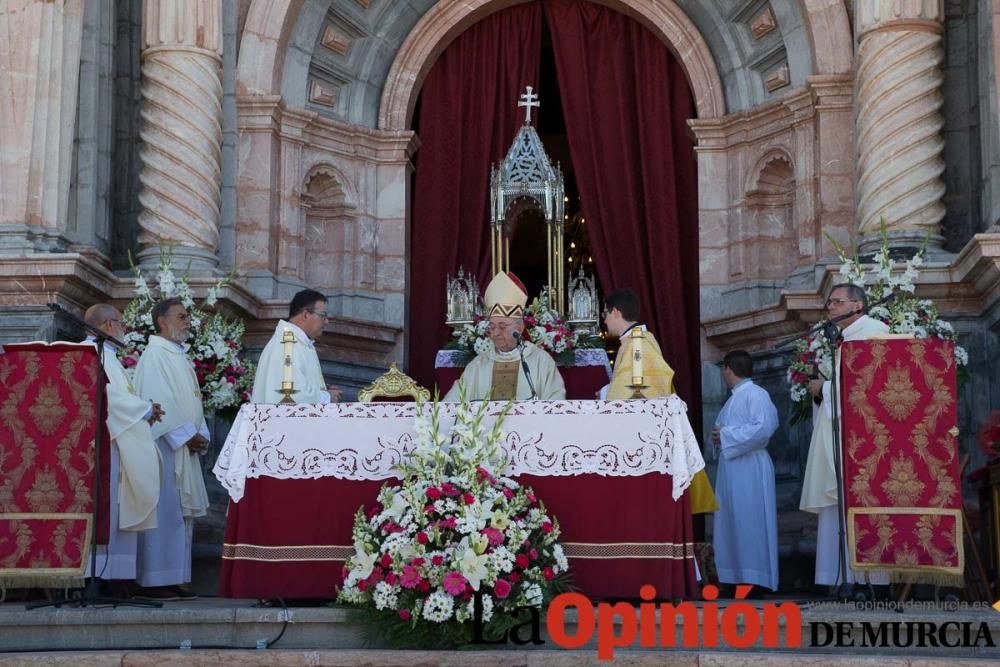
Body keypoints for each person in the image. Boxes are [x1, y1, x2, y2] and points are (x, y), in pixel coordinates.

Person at [800, 283, 890, 587]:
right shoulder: (846, 337)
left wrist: (823, 389)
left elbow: (869, 387)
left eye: (836, 303)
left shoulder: (872, 332)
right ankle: (844, 577)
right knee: (839, 503)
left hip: (865, 435)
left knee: (860, 501)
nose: (831, 309)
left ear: (857, 305)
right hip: (845, 430)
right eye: (829, 304)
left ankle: (870, 580)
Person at [599, 288, 717, 515]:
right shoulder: (636, 341)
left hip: (641, 439)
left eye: (605, 314)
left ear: (615, 312)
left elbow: (636, 391)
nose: (604, 321)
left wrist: (605, 395)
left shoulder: (637, 344)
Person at [132, 298, 210, 599]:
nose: (187, 321)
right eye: (181, 316)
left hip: (182, 445)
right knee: (164, 511)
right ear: (162, 321)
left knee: (178, 515)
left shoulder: (177, 354)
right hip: (165, 448)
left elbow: (192, 399)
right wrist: (186, 435)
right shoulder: (155, 355)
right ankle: (154, 579)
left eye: (187, 316)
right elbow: (157, 400)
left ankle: (176, 576)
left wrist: (200, 433)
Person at [83, 304, 162, 586]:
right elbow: (109, 398)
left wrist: (144, 411)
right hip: (104, 445)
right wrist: (145, 409)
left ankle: (117, 577)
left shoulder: (109, 355)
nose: (124, 328)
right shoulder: (91, 355)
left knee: (119, 505)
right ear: (106, 325)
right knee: (109, 505)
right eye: (121, 322)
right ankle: (100, 577)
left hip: (118, 440)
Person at [711, 350, 779, 593]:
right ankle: (733, 575)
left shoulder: (756, 394)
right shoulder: (733, 398)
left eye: (723, 369)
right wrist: (719, 436)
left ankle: (758, 578)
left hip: (751, 467)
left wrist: (726, 435)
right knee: (732, 521)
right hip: (731, 469)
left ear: (728, 369)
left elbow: (764, 428)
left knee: (751, 520)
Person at [443, 272, 565, 401]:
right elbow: (450, 407)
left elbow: (556, 407)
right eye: (492, 326)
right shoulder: (477, 366)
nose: (495, 333)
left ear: (519, 328)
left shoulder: (541, 362)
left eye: (502, 326)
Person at [251, 288, 342, 404]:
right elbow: (291, 396)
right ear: (306, 315)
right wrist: (327, 397)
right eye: (323, 315)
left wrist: (323, 390)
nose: (326, 321)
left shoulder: (300, 344)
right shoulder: (287, 345)